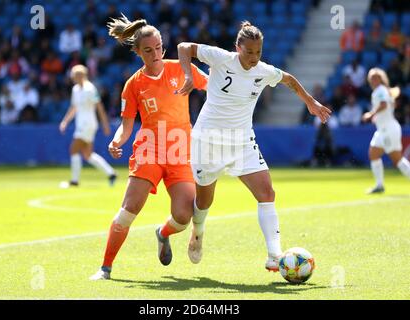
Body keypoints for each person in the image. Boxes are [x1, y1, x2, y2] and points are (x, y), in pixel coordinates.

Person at [177, 21, 331, 271]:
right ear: (238, 48)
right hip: (208, 142)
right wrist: (187, 75)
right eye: (249, 52)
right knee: (204, 202)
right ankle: (198, 232)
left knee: (267, 193)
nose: (253, 57)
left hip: (242, 144)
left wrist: (310, 102)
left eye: (258, 52)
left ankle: (274, 256)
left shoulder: (263, 71)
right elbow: (184, 47)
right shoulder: (220, 58)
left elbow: (289, 79)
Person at [89, 15, 208, 280]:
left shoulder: (182, 69)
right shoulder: (134, 85)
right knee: (129, 209)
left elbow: (214, 88)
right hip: (150, 149)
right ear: (137, 52)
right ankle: (105, 268)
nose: (155, 54)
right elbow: (126, 126)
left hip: (180, 150)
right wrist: (117, 141)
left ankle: (162, 233)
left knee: (183, 215)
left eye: (158, 48)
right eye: (148, 50)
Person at [59, 64, 117, 187]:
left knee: (73, 149)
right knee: (87, 155)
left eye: (75, 75)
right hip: (82, 124)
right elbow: (74, 107)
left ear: (82, 75)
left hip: (88, 124)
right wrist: (65, 121)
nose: (73, 78)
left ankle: (74, 181)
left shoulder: (90, 89)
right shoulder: (75, 89)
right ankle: (111, 173)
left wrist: (105, 124)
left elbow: (99, 107)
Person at [362, 68, 410, 193]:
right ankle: (379, 185)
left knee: (397, 160)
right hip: (382, 130)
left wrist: (371, 114)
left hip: (388, 130)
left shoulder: (380, 90)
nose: (372, 80)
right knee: (373, 153)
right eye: (371, 77)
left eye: (375, 77)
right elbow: (388, 106)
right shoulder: (381, 91)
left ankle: (379, 185)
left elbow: (383, 105)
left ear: (380, 79)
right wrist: (377, 117)